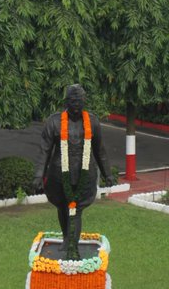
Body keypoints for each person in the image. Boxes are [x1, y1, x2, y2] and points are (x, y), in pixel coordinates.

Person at [32, 84, 114, 259]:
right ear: (66, 102)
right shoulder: (54, 121)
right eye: (73, 101)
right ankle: (67, 239)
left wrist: (108, 174)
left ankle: (72, 246)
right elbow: (44, 150)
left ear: (84, 101)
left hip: (85, 174)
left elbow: (100, 150)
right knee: (63, 207)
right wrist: (39, 175)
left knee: (77, 210)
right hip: (58, 175)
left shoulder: (92, 121)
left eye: (80, 101)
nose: (77, 104)